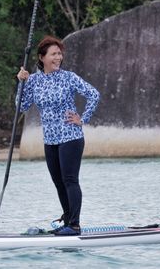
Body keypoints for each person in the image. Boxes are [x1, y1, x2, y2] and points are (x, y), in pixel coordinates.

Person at [16, 35, 100, 236]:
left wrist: (83, 118)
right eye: (53, 54)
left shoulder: (68, 77)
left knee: (70, 179)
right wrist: (21, 83)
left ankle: (75, 224)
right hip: (50, 140)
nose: (58, 58)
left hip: (70, 136)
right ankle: (67, 219)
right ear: (42, 57)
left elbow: (94, 94)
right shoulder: (34, 81)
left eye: (59, 54)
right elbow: (21, 106)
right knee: (58, 182)